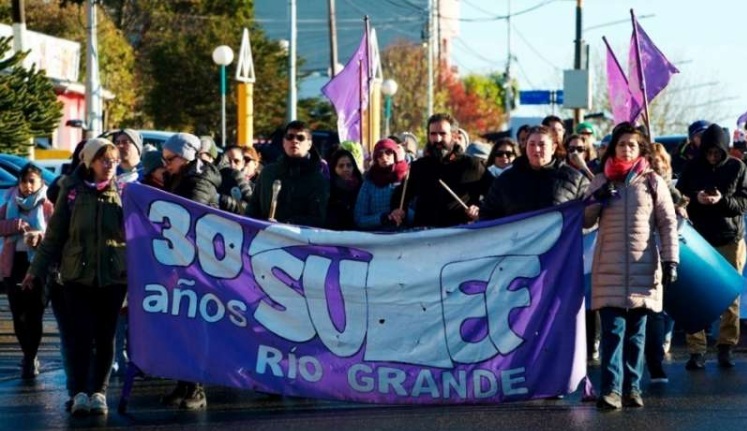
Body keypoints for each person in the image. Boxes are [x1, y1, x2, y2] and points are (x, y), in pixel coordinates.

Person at [23, 138, 128, 416]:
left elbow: (139, 237)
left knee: (106, 338)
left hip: (113, 279)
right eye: (105, 160)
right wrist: (34, 271)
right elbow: (54, 237)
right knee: (80, 337)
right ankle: (80, 393)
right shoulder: (71, 191)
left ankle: (99, 393)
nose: (110, 166)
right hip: (76, 278)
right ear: (89, 162)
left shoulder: (124, 193)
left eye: (114, 161)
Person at [584, 122, 679, 409]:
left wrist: (671, 259)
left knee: (636, 336)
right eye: (622, 144)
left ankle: (632, 388)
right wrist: (595, 201)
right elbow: (584, 221)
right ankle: (611, 390)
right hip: (609, 269)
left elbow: (667, 222)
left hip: (643, 267)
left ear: (641, 150)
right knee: (613, 333)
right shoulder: (600, 180)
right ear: (613, 147)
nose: (626, 149)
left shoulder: (653, 182)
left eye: (632, 145)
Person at [676, 123, 747, 370]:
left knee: (730, 296)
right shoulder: (693, 167)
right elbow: (679, 195)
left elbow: (743, 203)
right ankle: (697, 350)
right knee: (694, 294)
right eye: (709, 152)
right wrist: (695, 198)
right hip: (698, 239)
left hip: (730, 238)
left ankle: (726, 345)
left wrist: (721, 200)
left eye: (717, 152)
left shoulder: (737, 167)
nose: (713, 157)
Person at [160, 133, 222, 410]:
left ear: (185, 156)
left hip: (198, 265)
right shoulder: (179, 178)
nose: (165, 164)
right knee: (180, 326)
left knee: (195, 327)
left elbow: (189, 218)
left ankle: (197, 387)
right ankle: (183, 382)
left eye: (169, 159)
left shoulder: (197, 181)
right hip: (181, 263)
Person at [0, 164, 54, 379]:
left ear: (41, 183)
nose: (28, 186)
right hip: (15, 264)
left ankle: (31, 357)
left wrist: (39, 236)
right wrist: (14, 225)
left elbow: (56, 233)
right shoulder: (10, 203)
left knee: (34, 313)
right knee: (18, 313)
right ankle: (27, 353)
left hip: (39, 264)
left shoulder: (48, 206)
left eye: (32, 181)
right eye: (24, 181)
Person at [397, 113, 490, 228]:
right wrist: (397, 211)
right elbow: (400, 197)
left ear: (454, 136)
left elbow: (496, 195)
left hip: (460, 235)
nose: (437, 139)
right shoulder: (419, 166)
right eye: (433, 134)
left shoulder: (472, 165)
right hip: (425, 236)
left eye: (442, 134)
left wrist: (480, 208)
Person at [645, 143, 688, 384]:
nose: (656, 164)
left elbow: (672, 223)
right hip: (634, 252)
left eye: (660, 161)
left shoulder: (672, 190)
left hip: (659, 254)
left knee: (656, 311)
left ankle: (655, 361)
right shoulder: (632, 184)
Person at [480, 126, 588, 220]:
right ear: (525, 147)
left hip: (560, 242)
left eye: (542, 145)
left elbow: (587, 219)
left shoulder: (575, 180)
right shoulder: (506, 180)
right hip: (518, 242)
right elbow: (487, 215)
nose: (536, 149)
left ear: (553, 148)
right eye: (532, 144)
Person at [247, 120, 329, 227]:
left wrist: (286, 225)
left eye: (300, 138)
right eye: (290, 137)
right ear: (283, 142)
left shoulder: (317, 179)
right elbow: (253, 207)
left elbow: (318, 218)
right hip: (264, 239)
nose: (294, 141)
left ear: (309, 144)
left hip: (297, 240)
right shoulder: (268, 173)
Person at [354, 139, 411, 231]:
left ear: (395, 154)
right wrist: (384, 218)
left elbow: (421, 214)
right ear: (376, 158)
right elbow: (359, 219)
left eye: (388, 152)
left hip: (405, 238)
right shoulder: (369, 182)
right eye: (379, 154)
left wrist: (406, 213)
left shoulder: (407, 177)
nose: (384, 157)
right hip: (378, 239)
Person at [327, 149, 363, 230]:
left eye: (349, 165)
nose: (345, 169)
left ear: (354, 167)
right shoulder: (328, 189)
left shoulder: (362, 187)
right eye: (341, 166)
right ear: (334, 168)